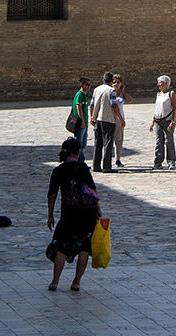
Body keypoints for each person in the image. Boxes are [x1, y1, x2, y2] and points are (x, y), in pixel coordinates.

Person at [46, 136, 100, 293]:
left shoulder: (58, 171)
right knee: (84, 247)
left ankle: (55, 281)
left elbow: (51, 196)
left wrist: (50, 215)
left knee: (61, 246)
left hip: (68, 213)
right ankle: (76, 282)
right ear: (76, 152)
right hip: (86, 213)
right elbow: (92, 190)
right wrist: (98, 207)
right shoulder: (82, 167)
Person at [91, 72, 118, 173]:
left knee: (98, 142)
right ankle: (107, 166)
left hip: (98, 118)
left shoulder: (96, 89)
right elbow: (114, 105)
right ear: (112, 81)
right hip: (108, 118)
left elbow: (92, 104)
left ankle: (96, 165)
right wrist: (120, 118)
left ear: (103, 80)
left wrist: (92, 117)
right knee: (108, 142)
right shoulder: (111, 91)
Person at [150, 75, 176, 168]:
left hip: (167, 120)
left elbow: (174, 108)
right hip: (158, 120)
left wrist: (173, 121)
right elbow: (156, 109)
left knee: (169, 141)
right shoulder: (158, 94)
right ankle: (158, 161)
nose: (158, 85)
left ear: (166, 84)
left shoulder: (171, 94)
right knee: (159, 141)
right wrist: (152, 121)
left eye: (160, 83)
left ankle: (171, 161)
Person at [70, 76, 92, 157]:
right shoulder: (79, 95)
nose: (88, 86)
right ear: (81, 85)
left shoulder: (85, 95)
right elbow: (78, 107)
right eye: (86, 84)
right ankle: (77, 161)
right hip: (80, 123)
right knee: (78, 143)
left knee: (83, 144)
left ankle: (81, 161)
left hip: (85, 122)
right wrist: (82, 121)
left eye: (89, 85)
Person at [109, 74, 127, 166]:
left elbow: (130, 99)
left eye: (118, 82)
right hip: (110, 117)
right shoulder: (109, 91)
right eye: (114, 82)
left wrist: (123, 92)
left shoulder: (121, 93)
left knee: (119, 140)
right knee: (109, 139)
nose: (116, 84)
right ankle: (107, 159)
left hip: (120, 118)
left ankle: (118, 159)